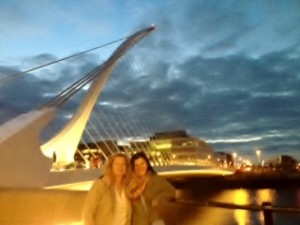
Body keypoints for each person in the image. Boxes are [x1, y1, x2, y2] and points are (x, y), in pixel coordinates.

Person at [82, 152, 132, 225]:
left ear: (127, 167)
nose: (120, 167)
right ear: (111, 166)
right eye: (117, 164)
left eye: (123, 164)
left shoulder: (127, 187)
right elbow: (87, 213)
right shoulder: (101, 184)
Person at [128, 151, 176, 225]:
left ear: (147, 164)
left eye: (142, 163)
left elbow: (171, 191)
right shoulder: (129, 183)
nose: (140, 167)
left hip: (154, 221)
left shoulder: (156, 180)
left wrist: (158, 198)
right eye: (136, 165)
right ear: (133, 167)